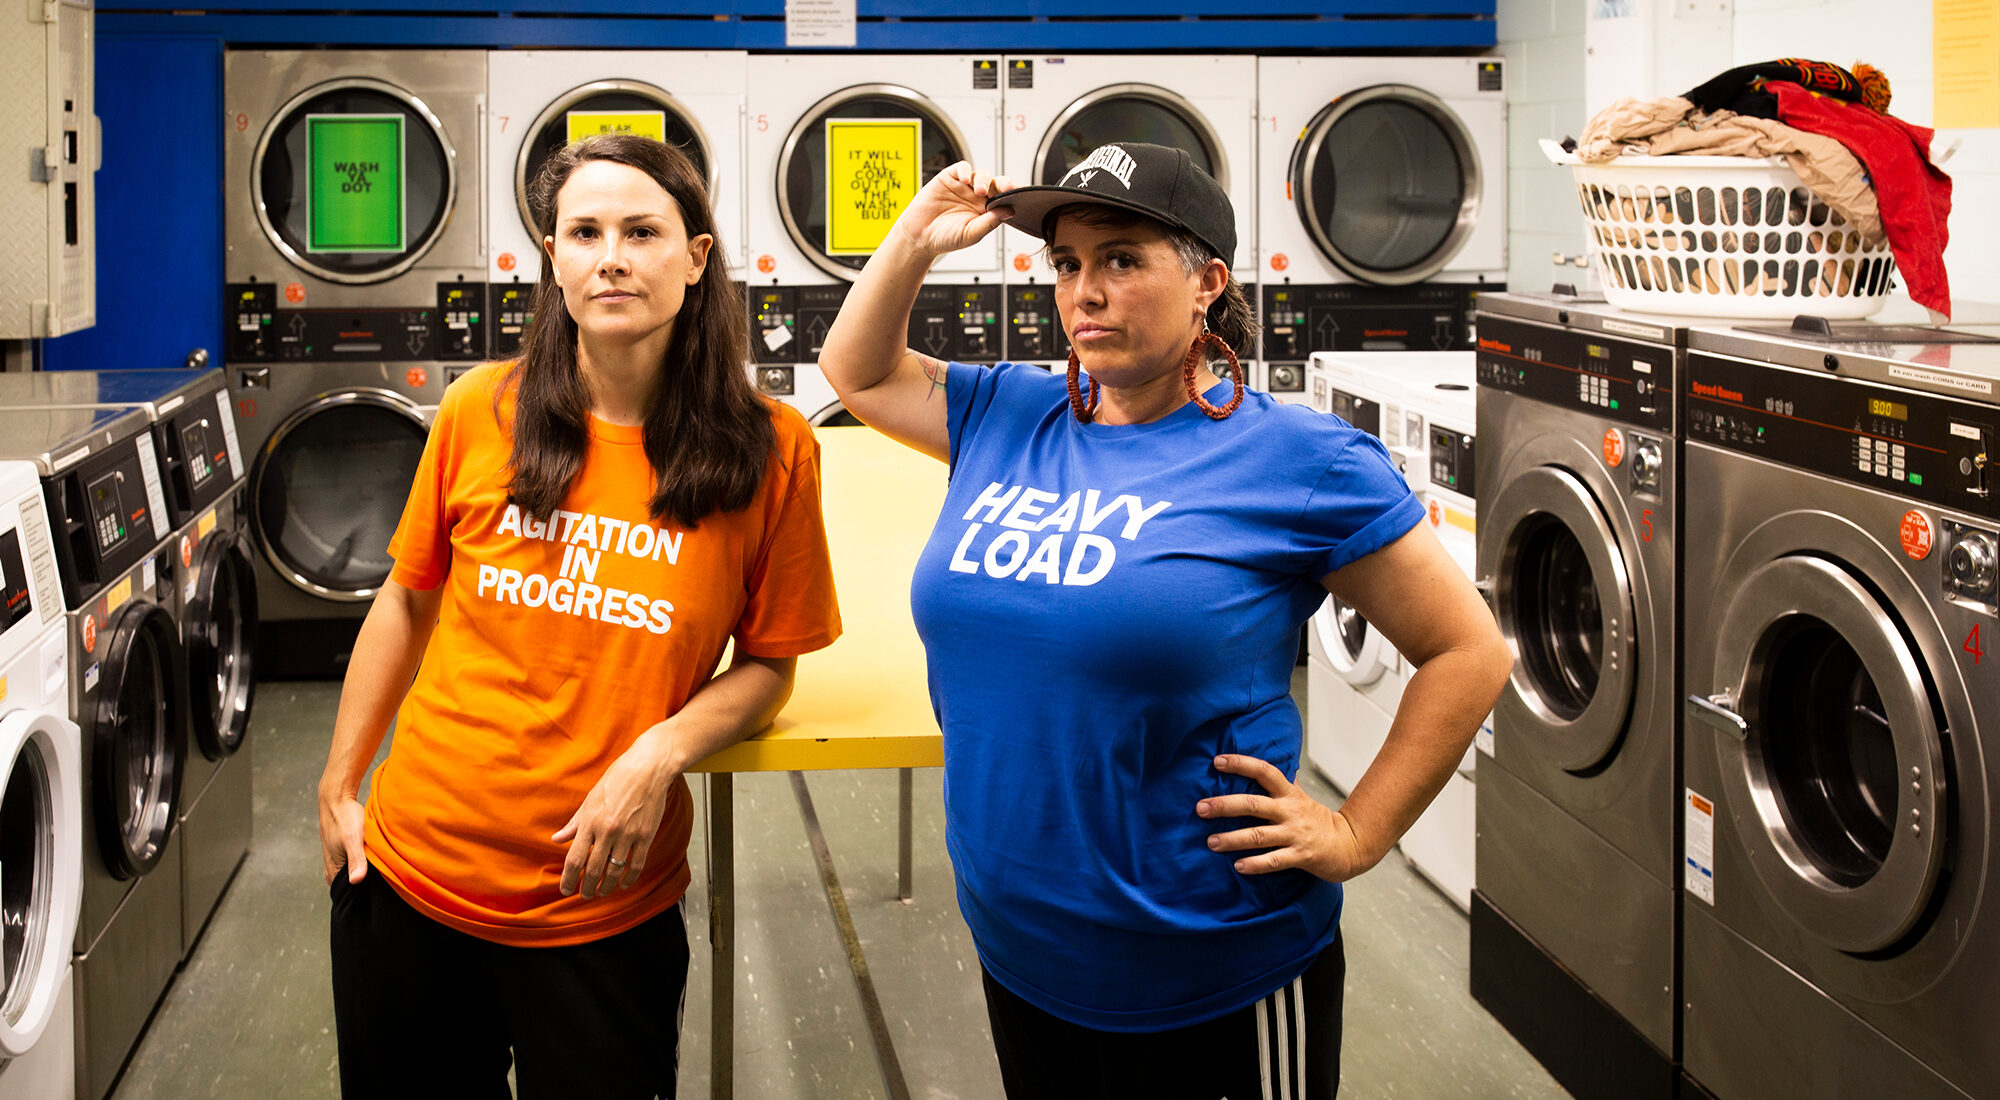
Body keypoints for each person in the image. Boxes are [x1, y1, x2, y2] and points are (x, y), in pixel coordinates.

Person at [817, 142, 1510, 1099]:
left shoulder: (1300, 459)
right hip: (1021, 946)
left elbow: (1466, 650)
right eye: (1066, 264)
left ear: (1206, 283)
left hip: (1207, 968)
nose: (1084, 292)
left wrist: (1357, 833)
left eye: (1122, 259)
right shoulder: (1006, 412)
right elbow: (856, 371)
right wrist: (915, 238)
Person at [316, 133, 841, 1099]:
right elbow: (406, 597)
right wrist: (340, 781)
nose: (612, 257)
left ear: (696, 256)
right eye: (584, 232)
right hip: (410, 884)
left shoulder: (772, 452)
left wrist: (661, 752)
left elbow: (770, 665)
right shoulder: (483, 409)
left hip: (601, 906)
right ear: (552, 261)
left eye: (643, 231)